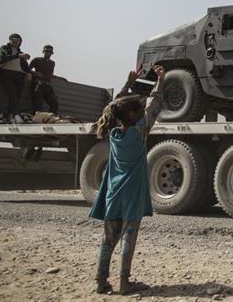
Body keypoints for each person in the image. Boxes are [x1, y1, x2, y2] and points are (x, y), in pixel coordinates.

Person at [88, 66, 165, 295]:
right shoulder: (139, 132)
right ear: (133, 116)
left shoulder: (114, 132)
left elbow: (113, 109)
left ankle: (101, 281)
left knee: (108, 240)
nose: (143, 109)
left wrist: (127, 85)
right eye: (139, 108)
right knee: (128, 239)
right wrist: (161, 79)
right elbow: (157, 103)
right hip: (131, 195)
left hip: (113, 192)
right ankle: (124, 282)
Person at [0, 33, 32, 124]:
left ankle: (11, 115)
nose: (16, 42)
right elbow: (2, 58)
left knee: (17, 96)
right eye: (14, 40)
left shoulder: (20, 53)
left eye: (18, 41)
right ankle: (16, 115)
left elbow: (26, 67)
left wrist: (30, 73)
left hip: (18, 76)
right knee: (12, 94)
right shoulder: (4, 48)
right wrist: (18, 56)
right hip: (7, 74)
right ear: (10, 40)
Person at [29, 44, 59, 114]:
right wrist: (36, 73)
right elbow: (27, 69)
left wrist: (60, 78)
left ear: (52, 53)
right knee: (38, 105)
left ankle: (49, 119)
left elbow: (50, 75)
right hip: (38, 85)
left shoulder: (52, 63)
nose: (48, 53)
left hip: (48, 86)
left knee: (55, 104)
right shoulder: (37, 60)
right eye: (46, 51)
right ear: (43, 51)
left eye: (50, 51)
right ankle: (37, 121)